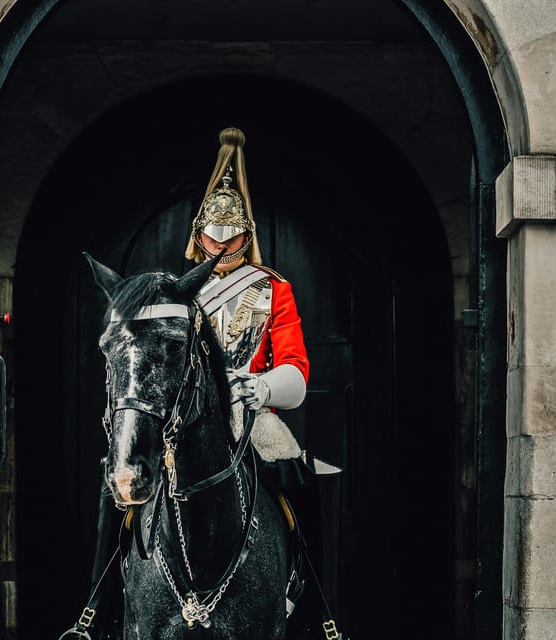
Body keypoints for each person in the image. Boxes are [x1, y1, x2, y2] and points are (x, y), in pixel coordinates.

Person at [185, 127, 332, 638]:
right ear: (198, 234)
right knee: (121, 481)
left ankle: (309, 591)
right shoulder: (177, 293)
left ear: (246, 235)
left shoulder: (275, 290)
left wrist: (261, 388)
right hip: (187, 415)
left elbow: (296, 368)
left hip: (253, 410)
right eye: (211, 237)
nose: (220, 246)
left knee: (296, 479)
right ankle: (99, 604)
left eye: (230, 238)